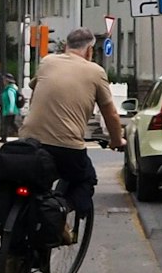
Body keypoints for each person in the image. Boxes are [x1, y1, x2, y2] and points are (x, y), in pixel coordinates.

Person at [16, 28, 125, 224]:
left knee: (32, 182)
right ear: (90, 50)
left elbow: (34, 99)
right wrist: (117, 140)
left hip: (28, 142)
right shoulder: (95, 71)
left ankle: (15, 248)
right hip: (66, 147)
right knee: (85, 178)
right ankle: (59, 212)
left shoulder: (47, 62)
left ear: (66, 47)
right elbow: (110, 113)